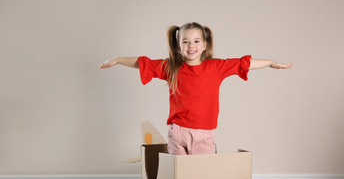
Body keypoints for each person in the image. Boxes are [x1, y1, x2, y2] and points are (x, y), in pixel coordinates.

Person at [100, 22, 292, 155]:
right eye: (185, 41)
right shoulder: (171, 67)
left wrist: (270, 63)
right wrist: (117, 60)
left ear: (204, 45)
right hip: (177, 132)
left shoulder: (216, 67)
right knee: (179, 175)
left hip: (203, 133)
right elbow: (143, 63)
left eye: (196, 41)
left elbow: (245, 63)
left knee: (202, 176)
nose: (191, 45)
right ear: (178, 46)